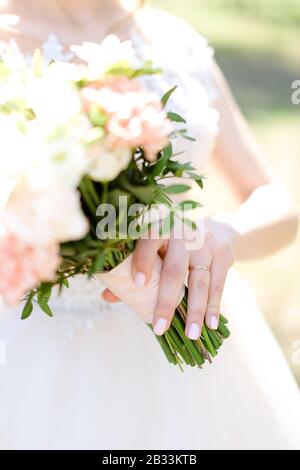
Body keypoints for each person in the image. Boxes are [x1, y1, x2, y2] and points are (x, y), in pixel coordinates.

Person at [0, 0, 299, 450]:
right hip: (29, 358)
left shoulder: (172, 38)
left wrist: (227, 234)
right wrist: (82, 248)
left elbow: (275, 201)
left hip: (196, 330)